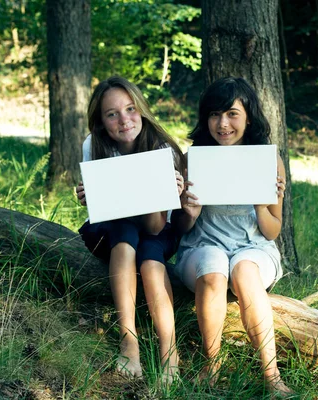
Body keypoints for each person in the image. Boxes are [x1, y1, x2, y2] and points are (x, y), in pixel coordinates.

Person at [172, 77, 293, 396]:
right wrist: (189, 212)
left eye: (231, 114)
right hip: (202, 247)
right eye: (214, 115)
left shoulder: (268, 159)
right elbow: (181, 228)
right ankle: (211, 365)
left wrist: (259, 199)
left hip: (253, 248)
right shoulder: (194, 158)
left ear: (248, 116)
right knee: (213, 266)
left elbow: (273, 230)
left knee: (245, 269)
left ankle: (272, 375)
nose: (222, 123)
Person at [75, 77, 185, 382]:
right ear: (100, 121)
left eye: (130, 109)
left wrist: (162, 193)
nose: (124, 120)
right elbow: (107, 212)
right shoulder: (93, 144)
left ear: (142, 110)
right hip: (117, 227)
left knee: (149, 256)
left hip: (157, 229)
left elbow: (155, 226)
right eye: (112, 114)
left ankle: (169, 352)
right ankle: (129, 341)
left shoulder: (163, 148)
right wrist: (88, 197)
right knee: (124, 237)